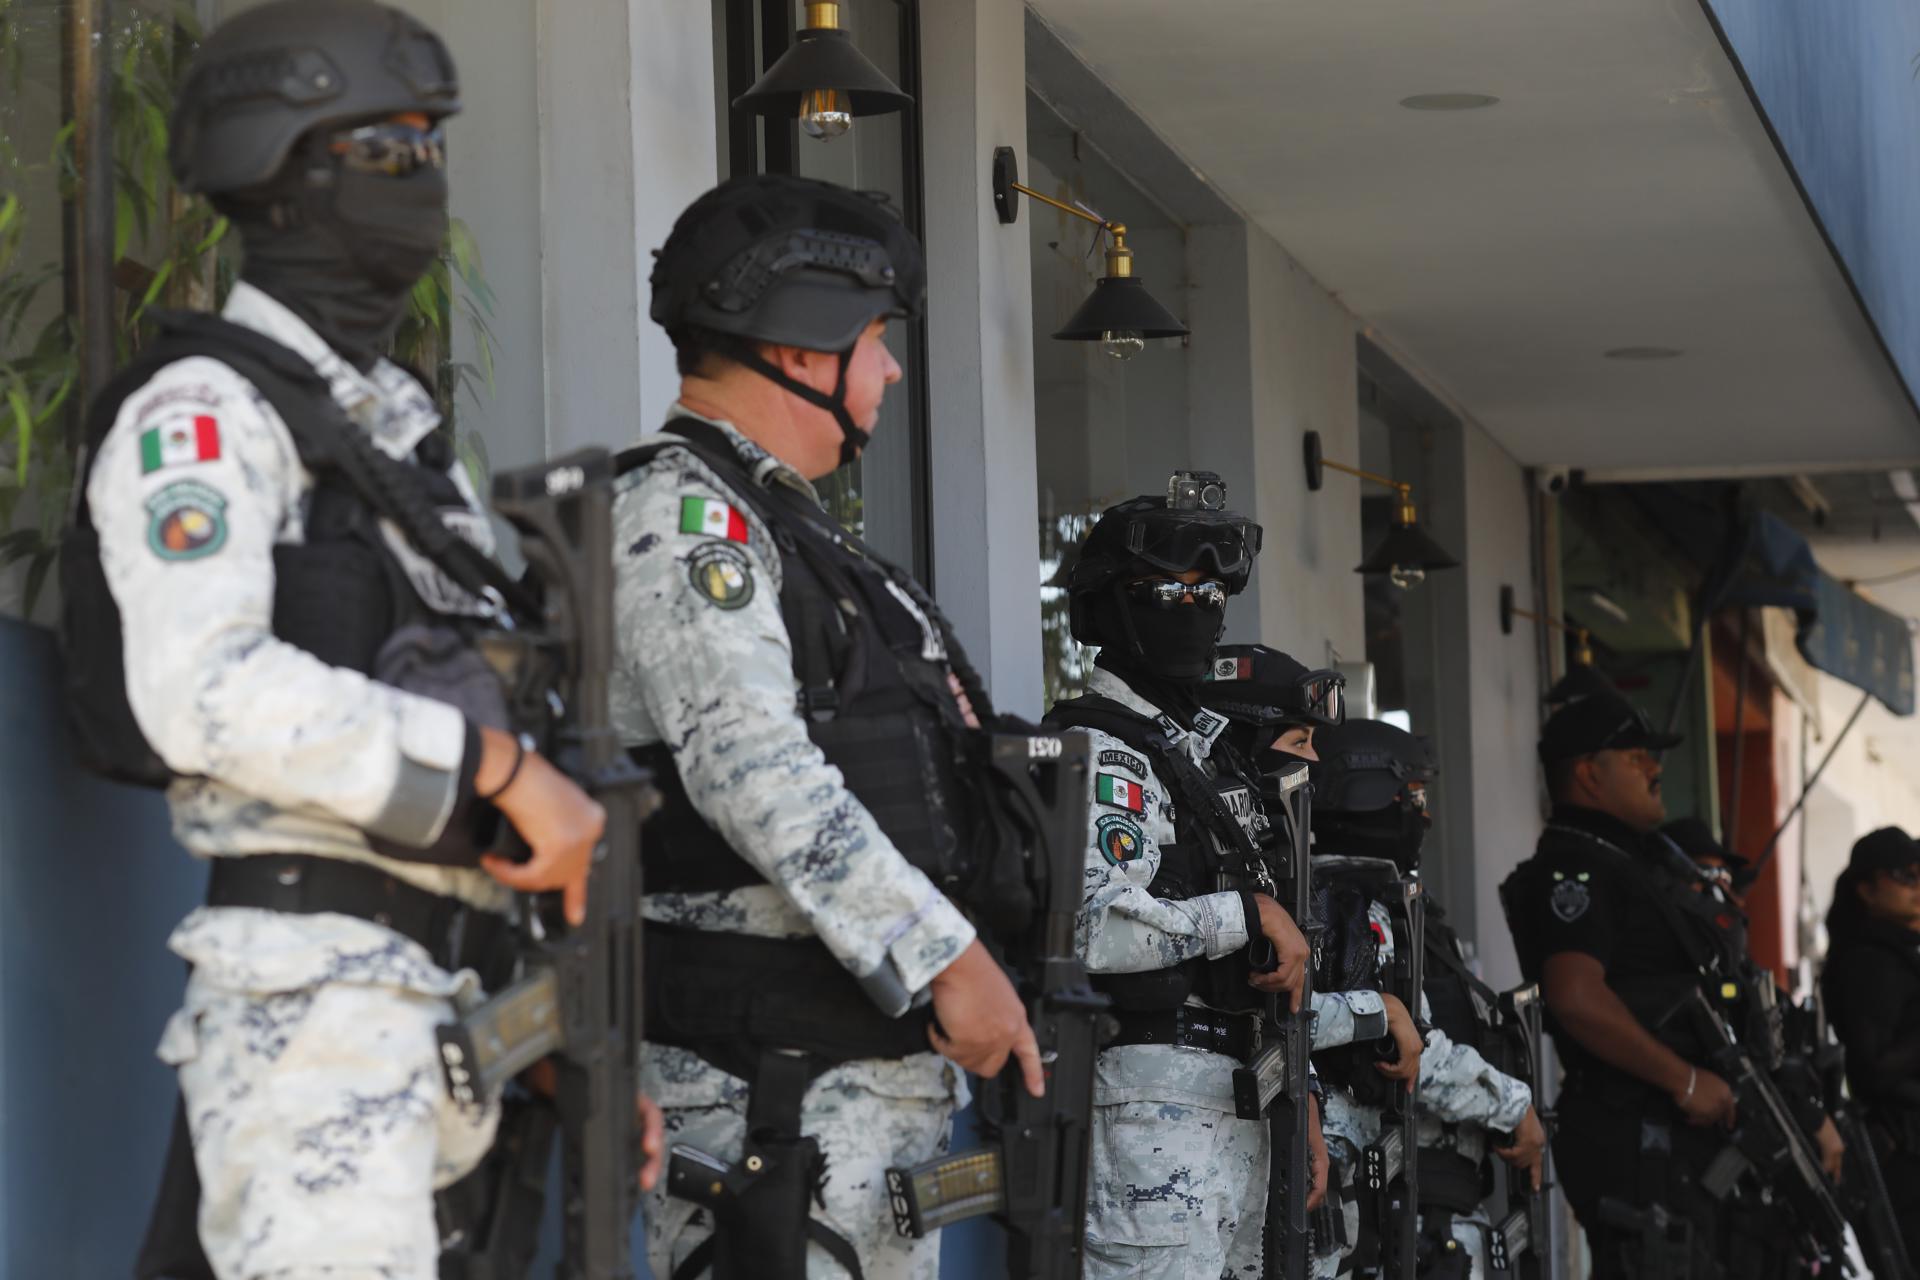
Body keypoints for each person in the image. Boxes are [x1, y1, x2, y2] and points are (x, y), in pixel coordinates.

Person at [83, 3, 634, 1276]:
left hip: (457, 1012)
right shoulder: (205, 414)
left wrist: (564, 1034)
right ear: (281, 169)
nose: (425, 182)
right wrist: (497, 771)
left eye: (431, 149)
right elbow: (203, 691)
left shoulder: (394, 443)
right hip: (316, 1015)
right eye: (392, 149)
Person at [617, 173, 1042, 1280]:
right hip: (764, 1095)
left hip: (840, 1088)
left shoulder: (798, 536)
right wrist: (946, 956)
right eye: (874, 339)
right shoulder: (686, 513)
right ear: (804, 349)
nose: (891, 368)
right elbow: (752, 768)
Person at [1044, 482, 1313, 1279]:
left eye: (1209, 591)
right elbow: (1090, 926)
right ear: (1108, 607)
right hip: (1149, 1106)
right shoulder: (1103, 749)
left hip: (1241, 1096)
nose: (1192, 607)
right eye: (1167, 590)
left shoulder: (1202, 749)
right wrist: (1247, 913)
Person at [1499, 690, 1742, 1278]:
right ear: (1589, 772)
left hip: (1666, 1136)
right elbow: (1576, 997)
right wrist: (1683, 1080)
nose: (1655, 768)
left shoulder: (1625, 860)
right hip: (1637, 1133)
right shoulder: (1575, 868)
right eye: (1636, 756)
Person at [1305, 718, 1545, 1280]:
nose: (1424, 814)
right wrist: (1514, 1106)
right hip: (1367, 1204)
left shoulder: (1399, 909)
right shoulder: (1336, 905)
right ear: (1365, 796)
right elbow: (1407, 1050)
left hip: (1419, 1203)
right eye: (1411, 796)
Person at [1821, 827, 1920, 1263]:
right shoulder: (1870, 960)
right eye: (1906, 876)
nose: (1918, 888)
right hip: (1902, 1155)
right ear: (1867, 888)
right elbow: (1873, 1069)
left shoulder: (1895, 951)